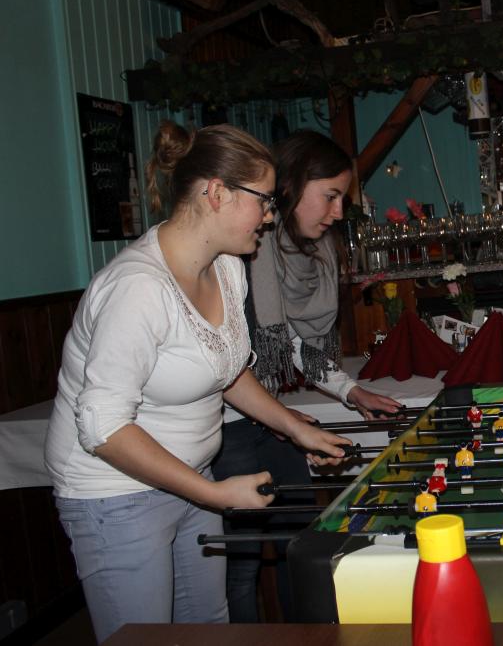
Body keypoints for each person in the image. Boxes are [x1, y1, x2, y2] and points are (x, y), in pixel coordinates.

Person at [44, 121, 353, 643]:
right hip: (114, 491)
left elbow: (226, 370)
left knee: (208, 628)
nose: (270, 215)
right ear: (216, 193)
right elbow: (102, 426)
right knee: (144, 637)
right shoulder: (138, 288)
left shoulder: (228, 267)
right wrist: (212, 492)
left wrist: (294, 427)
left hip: (191, 477)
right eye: (263, 200)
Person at [210, 129, 400, 623]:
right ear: (293, 186)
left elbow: (293, 344)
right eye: (330, 196)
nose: (337, 212)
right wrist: (283, 419)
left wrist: (351, 391)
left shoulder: (302, 250)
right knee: (242, 564)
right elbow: (224, 362)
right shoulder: (238, 251)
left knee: (299, 544)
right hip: (227, 427)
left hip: (269, 419)